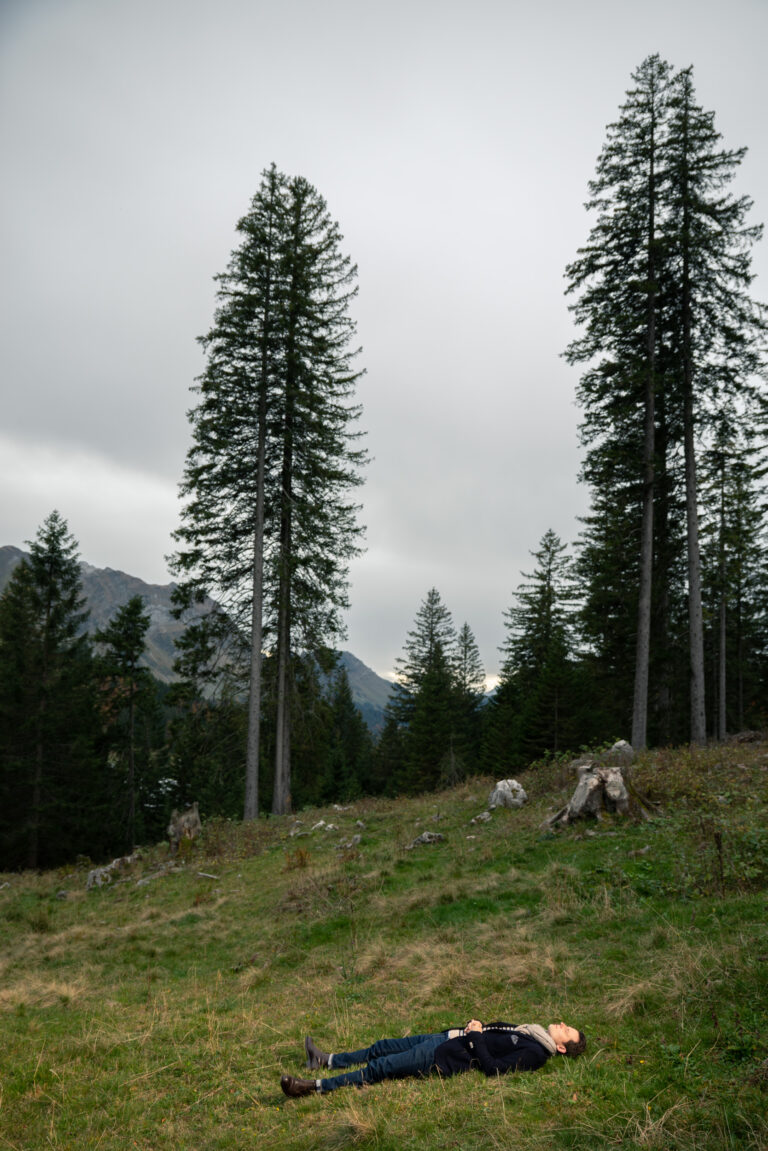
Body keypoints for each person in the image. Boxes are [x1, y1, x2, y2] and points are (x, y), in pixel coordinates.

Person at [280, 1017, 586, 1097]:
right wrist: (472, 1028)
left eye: (566, 1031)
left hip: (443, 1056)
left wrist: (477, 1035)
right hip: (447, 1037)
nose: (561, 1024)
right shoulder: (533, 1034)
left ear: (561, 1048)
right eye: (565, 1024)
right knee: (382, 1046)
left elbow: (493, 1069)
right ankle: (326, 1060)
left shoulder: (535, 1055)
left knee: (379, 1068)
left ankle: (313, 1086)